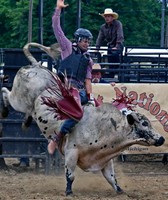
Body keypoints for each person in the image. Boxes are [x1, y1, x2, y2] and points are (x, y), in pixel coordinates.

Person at [48, 0, 95, 154]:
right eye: (84, 41)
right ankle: (57, 138)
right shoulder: (67, 47)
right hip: (64, 87)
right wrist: (58, 9)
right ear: (78, 40)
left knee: (92, 112)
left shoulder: (88, 59)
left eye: (88, 41)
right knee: (78, 112)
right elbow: (57, 28)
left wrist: (91, 97)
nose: (87, 43)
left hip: (78, 90)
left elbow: (88, 80)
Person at [95, 8, 124, 78]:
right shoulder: (103, 27)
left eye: (108, 16)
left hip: (118, 45)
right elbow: (100, 38)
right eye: (106, 16)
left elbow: (120, 36)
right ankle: (111, 74)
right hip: (110, 46)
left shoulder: (118, 24)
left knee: (115, 54)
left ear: (112, 17)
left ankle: (117, 72)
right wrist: (97, 48)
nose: (107, 18)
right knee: (109, 57)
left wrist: (116, 46)